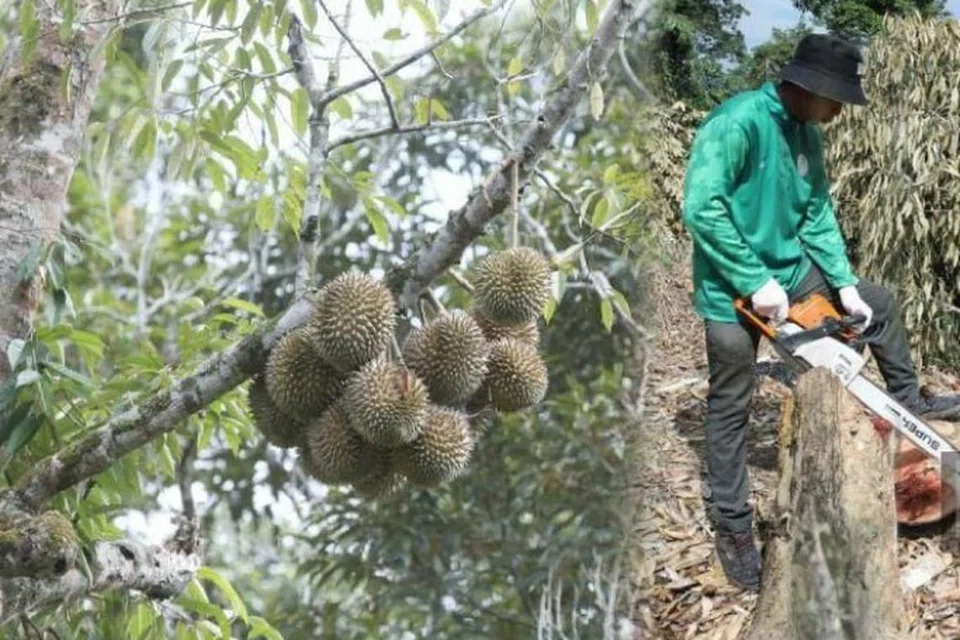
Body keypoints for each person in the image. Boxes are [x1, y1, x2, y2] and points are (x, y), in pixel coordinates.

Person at [680, 32, 960, 591]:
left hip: (791, 272)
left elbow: (816, 215)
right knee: (731, 401)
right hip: (729, 286)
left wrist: (845, 284)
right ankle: (733, 526)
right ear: (808, 88)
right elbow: (702, 207)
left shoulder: (807, 133)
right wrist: (753, 280)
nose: (840, 111)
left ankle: (906, 402)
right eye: (837, 99)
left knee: (877, 305)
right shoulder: (736, 124)